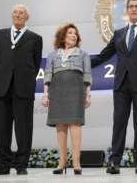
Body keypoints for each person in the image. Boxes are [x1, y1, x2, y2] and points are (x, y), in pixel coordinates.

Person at [91, 0, 137, 174]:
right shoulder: (119, 33)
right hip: (121, 85)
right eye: (130, 6)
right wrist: (81, 61)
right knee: (119, 123)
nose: (133, 9)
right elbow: (103, 56)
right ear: (127, 10)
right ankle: (115, 162)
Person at [0, 4, 43, 175]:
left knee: (24, 129)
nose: (17, 15)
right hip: (1, 88)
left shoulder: (35, 38)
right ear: (11, 16)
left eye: (21, 13)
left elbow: (35, 65)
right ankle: (3, 164)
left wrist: (24, 79)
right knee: (1, 128)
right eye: (15, 12)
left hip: (23, 89)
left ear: (27, 17)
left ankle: (21, 165)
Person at [42, 23, 91, 175]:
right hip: (56, 92)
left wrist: (88, 94)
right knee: (60, 127)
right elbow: (48, 76)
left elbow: (87, 76)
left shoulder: (83, 54)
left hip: (76, 91)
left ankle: (76, 163)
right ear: (63, 36)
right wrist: (45, 94)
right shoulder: (52, 55)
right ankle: (61, 162)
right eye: (70, 33)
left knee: (75, 125)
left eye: (75, 33)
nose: (74, 35)